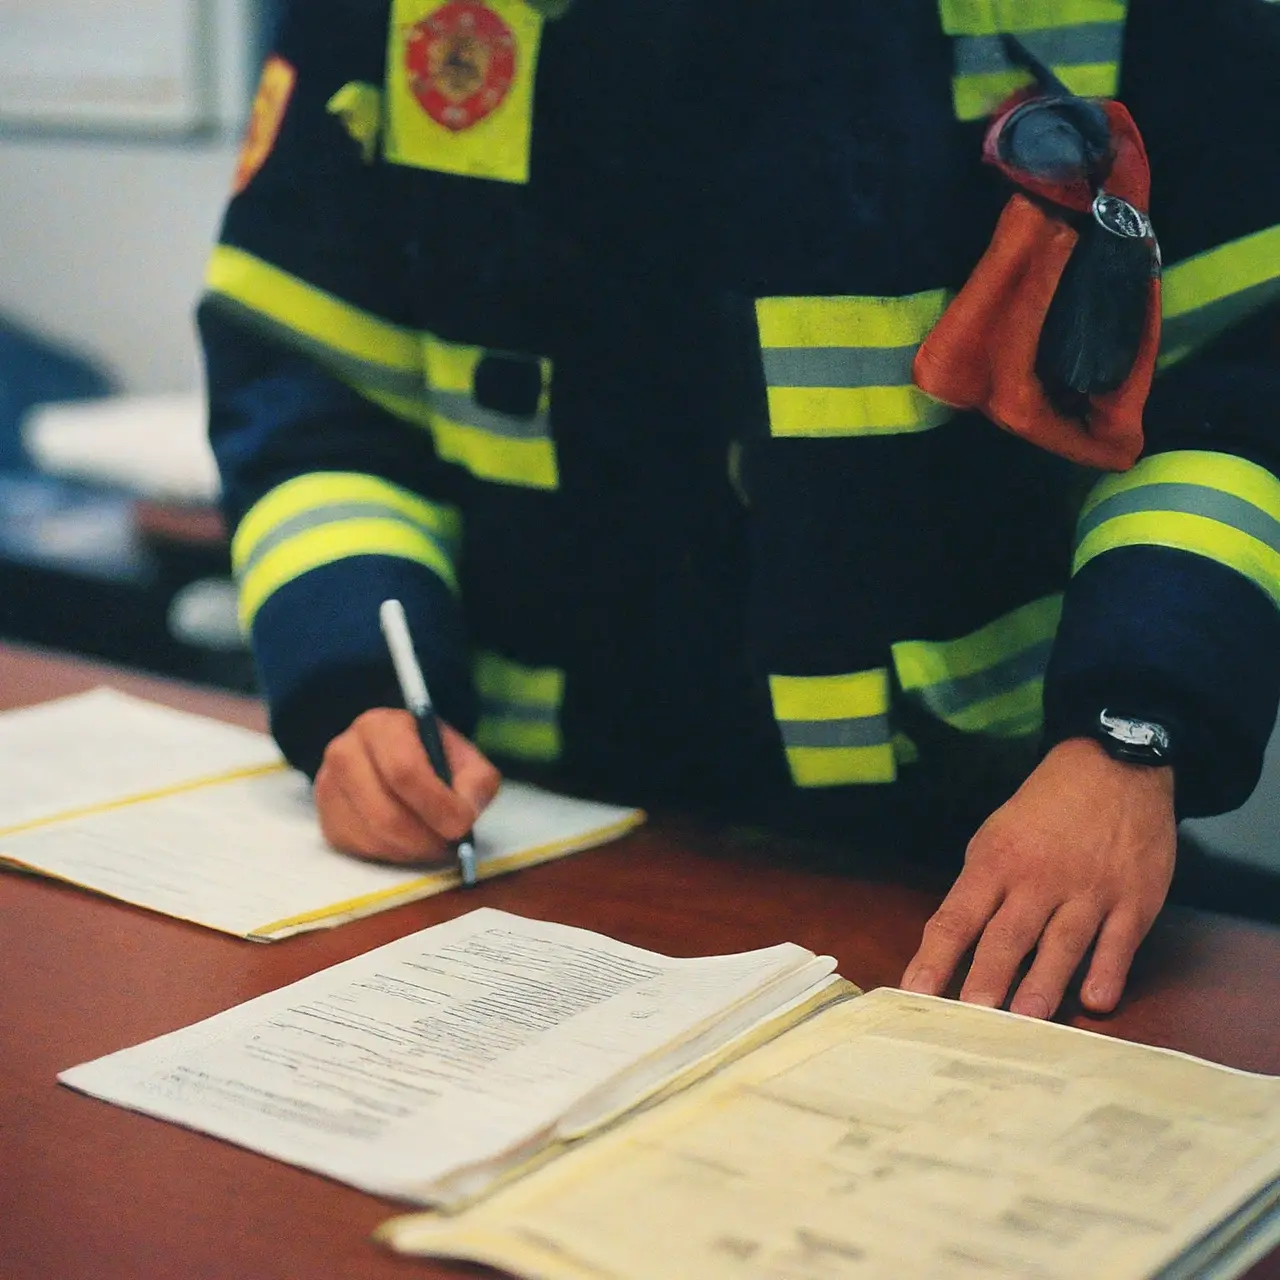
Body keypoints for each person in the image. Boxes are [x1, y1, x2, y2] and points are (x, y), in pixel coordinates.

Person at [201, 0, 1280, 1022]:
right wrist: (358, 684)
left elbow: (1233, 400)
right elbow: (314, 390)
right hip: (520, 835)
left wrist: (1130, 733)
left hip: (982, 839)